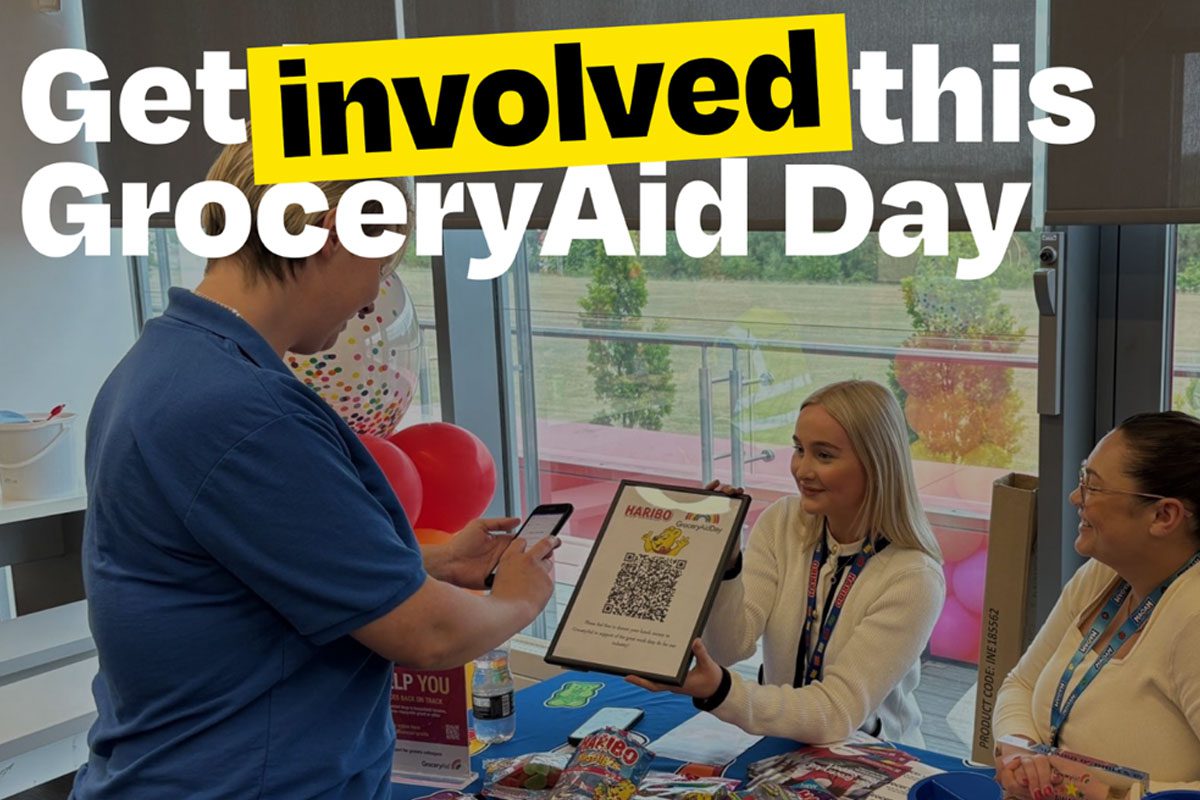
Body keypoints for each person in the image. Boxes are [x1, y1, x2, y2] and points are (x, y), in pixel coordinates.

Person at [72, 134, 558, 799]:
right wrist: (521, 598)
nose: (372, 299)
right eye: (382, 266)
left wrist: (433, 565)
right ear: (332, 234)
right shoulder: (246, 411)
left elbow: (247, 570)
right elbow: (431, 635)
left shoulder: (160, 365)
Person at [629, 380, 945, 746]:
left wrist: (722, 691)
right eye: (799, 449)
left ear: (876, 464)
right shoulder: (782, 521)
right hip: (780, 743)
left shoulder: (914, 577)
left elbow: (837, 712)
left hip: (872, 756)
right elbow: (730, 647)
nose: (802, 470)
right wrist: (727, 567)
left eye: (824, 455)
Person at [993, 411, 1200, 796]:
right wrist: (1021, 752)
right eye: (1082, 479)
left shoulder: (1193, 618)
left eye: (1093, 486)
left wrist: (1109, 795)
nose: (1075, 497)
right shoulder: (1103, 574)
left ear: (1164, 515)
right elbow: (1020, 683)